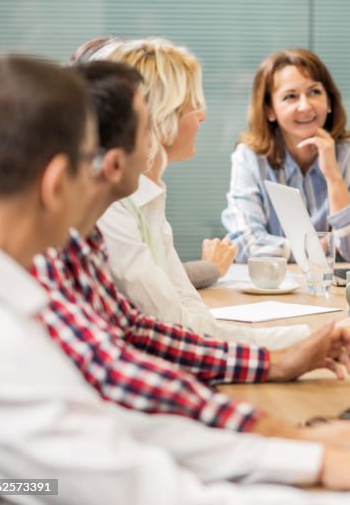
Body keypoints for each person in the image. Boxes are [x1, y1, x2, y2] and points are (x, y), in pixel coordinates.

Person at [0, 55, 350, 505]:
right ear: (53, 184)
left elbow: (110, 431)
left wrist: (307, 456)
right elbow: (129, 485)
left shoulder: (7, 290)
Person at [31, 60, 350, 448]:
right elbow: (120, 370)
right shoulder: (52, 258)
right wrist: (286, 428)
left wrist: (284, 359)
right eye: (146, 126)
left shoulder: (81, 245)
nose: (202, 114)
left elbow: (142, 333)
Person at [96, 38, 308, 348]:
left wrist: (306, 339)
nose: (202, 116)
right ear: (159, 114)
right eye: (193, 105)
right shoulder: (114, 206)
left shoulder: (149, 198)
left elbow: (189, 312)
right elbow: (175, 328)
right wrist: (303, 340)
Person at [69, 35, 232, 289]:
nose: (202, 115)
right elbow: (158, 306)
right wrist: (211, 268)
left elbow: (172, 300)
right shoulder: (109, 204)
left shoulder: (148, 193)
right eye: (191, 104)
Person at [223, 48, 350, 263]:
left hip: (335, 292)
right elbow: (244, 243)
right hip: (274, 289)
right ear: (270, 110)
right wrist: (321, 246)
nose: (305, 106)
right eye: (290, 96)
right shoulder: (250, 158)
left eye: (315, 92)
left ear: (329, 102)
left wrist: (333, 176)